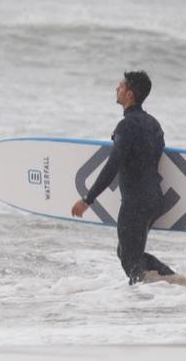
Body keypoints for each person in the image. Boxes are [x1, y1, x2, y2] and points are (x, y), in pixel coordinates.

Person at [71, 71, 176, 284]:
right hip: (155, 199)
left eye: (120, 86)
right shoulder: (154, 124)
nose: (116, 89)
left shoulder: (126, 126)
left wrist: (87, 200)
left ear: (129, 94)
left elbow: (113, 165)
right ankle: (168, 284)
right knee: (126, 252)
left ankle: (171, 285)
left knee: (131, 260)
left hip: (135, 202)